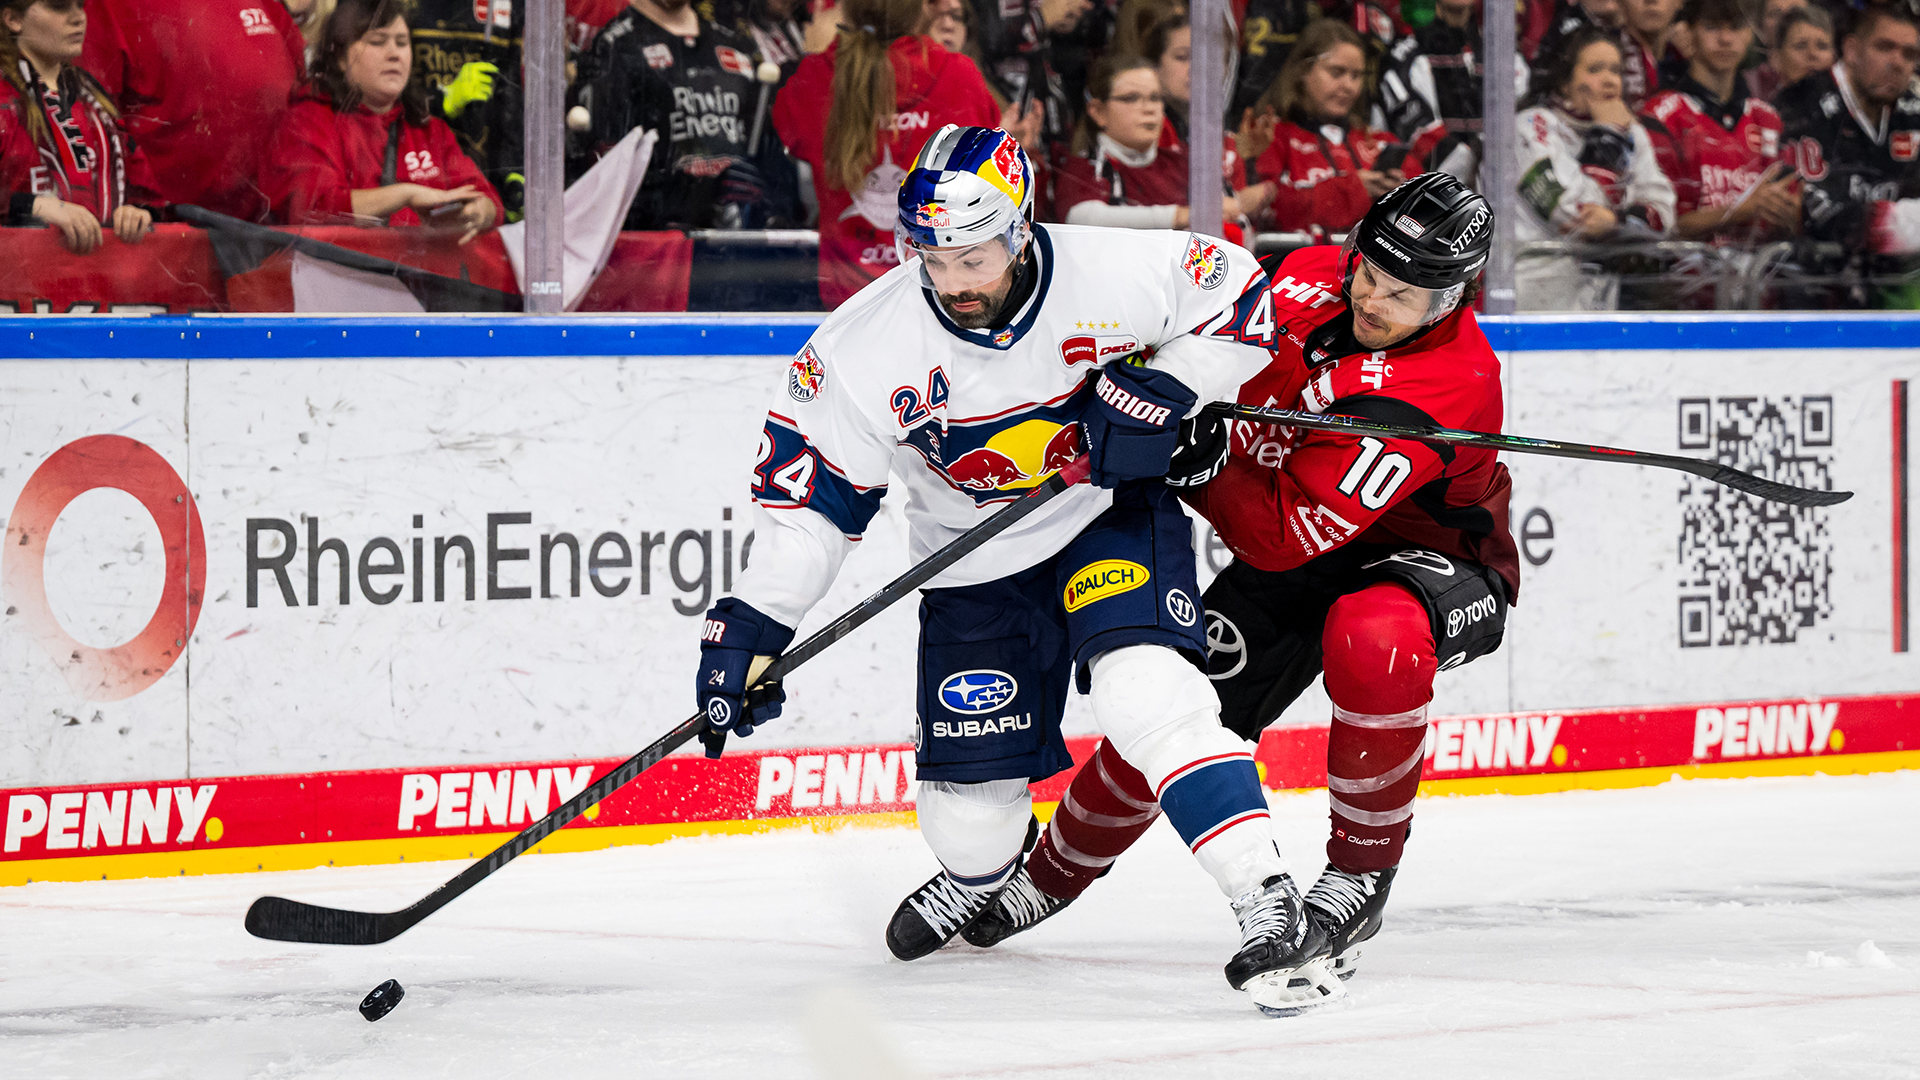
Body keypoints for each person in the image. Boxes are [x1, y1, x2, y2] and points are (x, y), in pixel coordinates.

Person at [694, 123, 1344, 1015]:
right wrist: (754, 623)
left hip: (1105, 517)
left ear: (1021, 226)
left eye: (975, 256)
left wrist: (1170, 384)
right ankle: (981, 873)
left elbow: (1240, 301)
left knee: (1146, 692)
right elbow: (814, 507)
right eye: (934, 258)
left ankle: (1269, 905)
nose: (955, 282)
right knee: (967, 826)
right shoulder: (861, 348)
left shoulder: (1106, 271)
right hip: (971, 565)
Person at [963, 173, 1517, 996]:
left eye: (1401, 294)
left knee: (1373, 635)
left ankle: (1359, 876)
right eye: (1368, 271)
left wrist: (1197, 464)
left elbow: (1277, 536)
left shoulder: (1443, 389)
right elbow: (1194, 337)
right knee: (1184, 710)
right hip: (1301, 536)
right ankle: (1048, 874)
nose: (1371, 297)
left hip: (1431, 559)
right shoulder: (1303, 276)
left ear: (1450, 298)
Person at [772, 0, 999, 307]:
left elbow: (788, 129)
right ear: (923, 9)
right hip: (938, 295)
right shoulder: (959, 75)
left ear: (846, 9)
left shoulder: (815, 77)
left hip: (846, 304)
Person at [261, 0, 502, 241]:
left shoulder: (427, 129)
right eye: (377, 42)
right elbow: (311, 208)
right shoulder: (309, 120)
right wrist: (404, 196)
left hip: (424, 276)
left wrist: (478, 212)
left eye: (402, 43)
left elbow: (488, 199)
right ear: (341, 56)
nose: (394, 54)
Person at [571, 0, 800, 229]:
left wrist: (768, 205)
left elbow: (768, 155)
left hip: (742, 249)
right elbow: (606, 179)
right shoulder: (612, 50)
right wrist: (701, 195)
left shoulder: (735, 44)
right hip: (663, 250)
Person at [80, 0, 306, 222]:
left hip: (270, 224)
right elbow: (93, 115)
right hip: (168, 230)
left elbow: (306, 91)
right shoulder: (106, 7)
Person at [1515, 26, 1675, 309]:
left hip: (1598, 305)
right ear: (1564, 81)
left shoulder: (1631, 133)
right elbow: (1573, 215)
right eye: (1595, 69)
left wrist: (1617, 223)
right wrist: (1607, 138)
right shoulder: (1529, 126)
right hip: (1529, 305)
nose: (1610, 81)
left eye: (1615, 71)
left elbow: (1664, 211)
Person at [1776, 3, 1920, 293]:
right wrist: (1898, 223)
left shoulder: (1913, 112)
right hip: (1805, 294)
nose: (1897, 62)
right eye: (1884, 47)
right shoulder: (1798, 107)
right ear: (1852, 50)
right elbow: (1816, 215)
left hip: (1890, 291)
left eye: (1909, 54)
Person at [0, 0, 156, 253]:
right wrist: (34, 206)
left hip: (101, 280)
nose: (78, 18)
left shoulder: (93, 97)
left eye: (80, 5)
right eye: (59, 6)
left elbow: (145, 190)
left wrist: (137, 213)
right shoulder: (4, 99)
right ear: (14, 19)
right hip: (20, 282)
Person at [1052, 54, 1268, 231]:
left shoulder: (1187, 164)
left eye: (1155, 98)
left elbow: (1236, 223)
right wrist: (1182, 216)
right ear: (1098, 112)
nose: (1149, 109)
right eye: (1131, 98)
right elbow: (1082, 219)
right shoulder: (1085, 166)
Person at [1639, 0, 1794, 244]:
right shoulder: (1662, 116)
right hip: (1683, 278)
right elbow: (1659, 226)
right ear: (1689, 34)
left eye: (1737, 27)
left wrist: (1791, 214)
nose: (1725, 39)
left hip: (1757, 279)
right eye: (1712, 27)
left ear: (1750, 36)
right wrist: (1742, 210)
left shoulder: (1769, 120)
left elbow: (1790, 221)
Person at [1251, 19, 1404, 236]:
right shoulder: (1270, 138)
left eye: (1356, 76)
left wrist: (1399, 193)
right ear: (1304, 70)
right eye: (1337, 72)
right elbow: (1266, 213)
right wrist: (1351, 189)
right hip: (1295, 267)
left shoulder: (1380, 142)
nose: (1348, 86)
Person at [1376, 0, 1530, 182]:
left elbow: (1525, 133)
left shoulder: (1505, 55)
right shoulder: (1404, 58)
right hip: (1433, 198)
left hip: (1503, 194)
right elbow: (1427, 148)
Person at [1753, 5, 1832, 102]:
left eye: (1822, 46)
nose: (1813, 54)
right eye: (1800, 46)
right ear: (1777, 57)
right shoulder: (1766, 112)